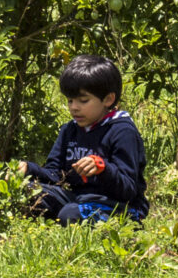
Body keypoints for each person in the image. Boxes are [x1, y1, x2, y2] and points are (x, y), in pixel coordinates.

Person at [19, 54, 149, 223]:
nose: (74, 107)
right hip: (77, 199)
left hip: (119, 206)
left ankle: (118, 224)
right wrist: (29, 169)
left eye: (83, 100)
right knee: (28, 190)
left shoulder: (123, 131)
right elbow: (56, 176)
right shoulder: (69, 130)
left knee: (70, 213)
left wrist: (103, 169)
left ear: (108, 99)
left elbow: (129, 189)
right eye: (70, 100)